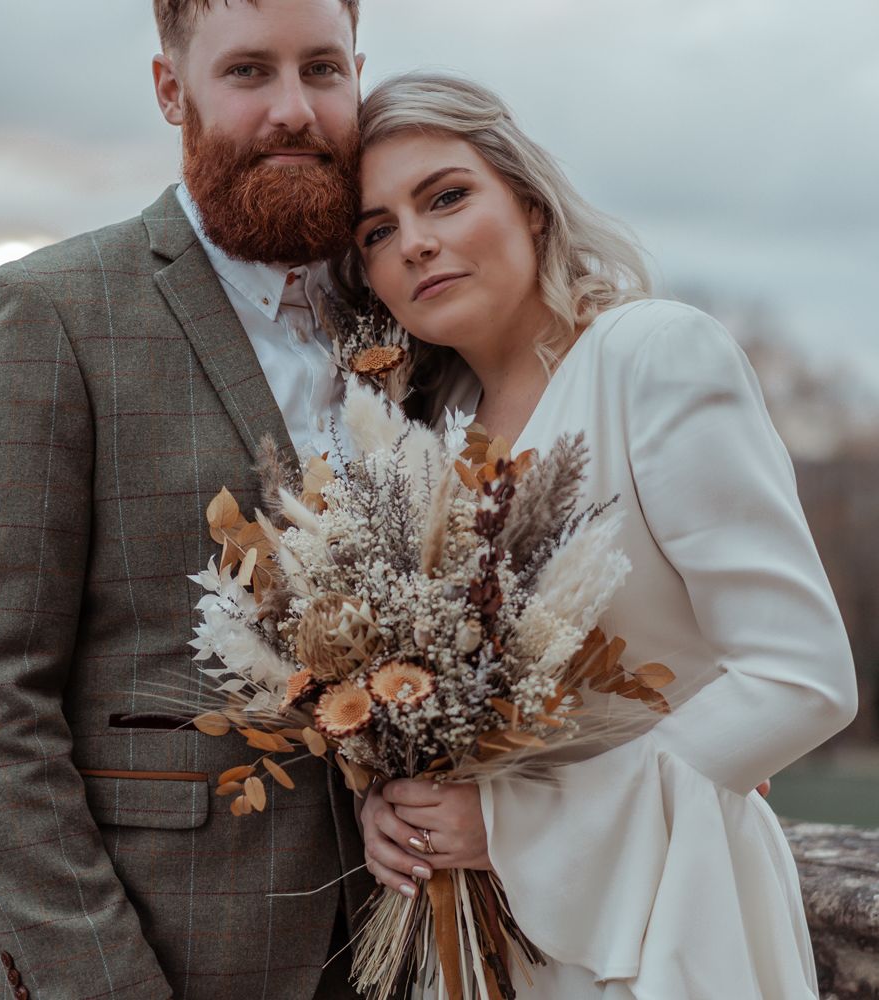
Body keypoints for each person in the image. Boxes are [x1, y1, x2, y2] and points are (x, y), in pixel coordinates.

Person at [354, 72, 858, 998]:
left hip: (668, 917)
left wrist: (515, 824)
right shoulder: (420, 441)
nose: (415, 241)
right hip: (468, 941)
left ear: (532, 206)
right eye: (378, 230)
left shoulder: (653, 356)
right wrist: (387, 803)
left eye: (447, 197)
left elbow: (802, 678)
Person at [0, 2, 371, 997]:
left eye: (322, 71)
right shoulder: (50, 313)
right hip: (158, 956)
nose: (293, 108)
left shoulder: (415, 314)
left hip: (403, 952)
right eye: (248, 72)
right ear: (172, 90)